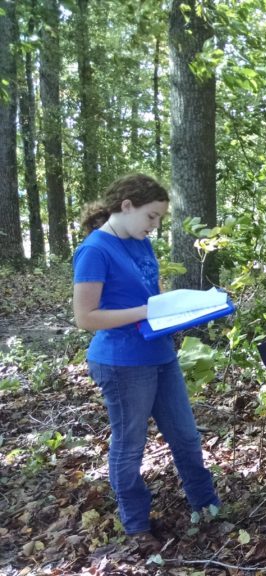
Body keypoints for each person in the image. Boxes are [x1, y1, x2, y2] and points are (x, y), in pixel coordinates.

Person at [72, 174, 221, 554]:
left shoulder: (140, 243)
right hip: (122, 363)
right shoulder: (95, 250)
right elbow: (86, 316)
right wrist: (146, 311)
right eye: (151, 217)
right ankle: (137, 523)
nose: (154, 226)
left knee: (185, 435)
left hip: (159, 354)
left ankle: (206, 505)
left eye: (159, 219)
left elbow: (151, 300)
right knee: (130, 445)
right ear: (126, 207)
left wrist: (189, 306)